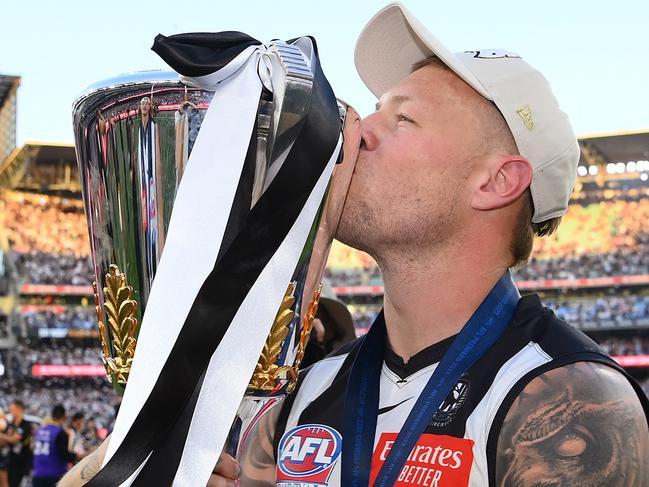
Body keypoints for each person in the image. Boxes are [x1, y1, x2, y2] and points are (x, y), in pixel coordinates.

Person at [60, 3, 649, 487]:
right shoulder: (307, 389)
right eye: (373, 111)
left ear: (495, 182)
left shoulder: (569, 398)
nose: (356, 131)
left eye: (403, 120)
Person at [32, 405, 78, 487]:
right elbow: (64, 455)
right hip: (54, 475)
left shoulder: (40, 431)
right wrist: (78, 456)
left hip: (37, 474)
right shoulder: (60, 432)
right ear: (64, 417)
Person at [0, 400, 33, 487]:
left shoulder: (25, 425)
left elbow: (14, 439)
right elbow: (4, 441)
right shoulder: (11, 424)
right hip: (10, 460)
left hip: (21, 462)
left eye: (12, 409)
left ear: (19, 409)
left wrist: (2, 436)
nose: (11, 411)